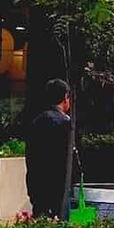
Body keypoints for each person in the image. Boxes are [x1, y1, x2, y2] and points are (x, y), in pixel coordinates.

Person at [25, 79, 74, 218]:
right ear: (65, 98)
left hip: (37, 185)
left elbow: (30, 156)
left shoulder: (36, 121)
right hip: (58, 188)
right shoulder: (66, 123)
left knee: (40, 222)